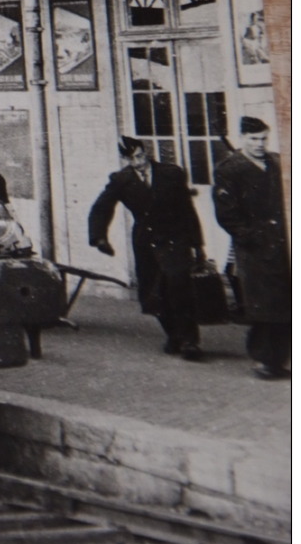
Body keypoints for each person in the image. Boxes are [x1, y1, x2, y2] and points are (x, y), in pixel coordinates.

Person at [88, 137, 207, 360]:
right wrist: (99, 237)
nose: (138, 162)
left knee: (178, 286)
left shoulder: (171, 174)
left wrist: (197, 244)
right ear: (125, 159)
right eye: (132, 158)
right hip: (146, 241)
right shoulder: (121, 180)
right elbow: (101, 208)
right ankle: (174, 335)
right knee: (153, 293)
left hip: (175, 237)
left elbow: (187, 209)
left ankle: (190, 341)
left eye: (141, 156)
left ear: (146, 152)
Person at [213, 117, 290, 380]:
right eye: (254, 139)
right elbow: (227, 215)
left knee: (284, 303)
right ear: (243, 138)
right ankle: (264, 360)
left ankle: (280, 358)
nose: (259, 144)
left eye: (263, 139)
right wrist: (252, 236)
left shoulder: (276, 161)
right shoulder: (230, 169)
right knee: (263, 305)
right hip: (255, 248)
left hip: (283, 244)